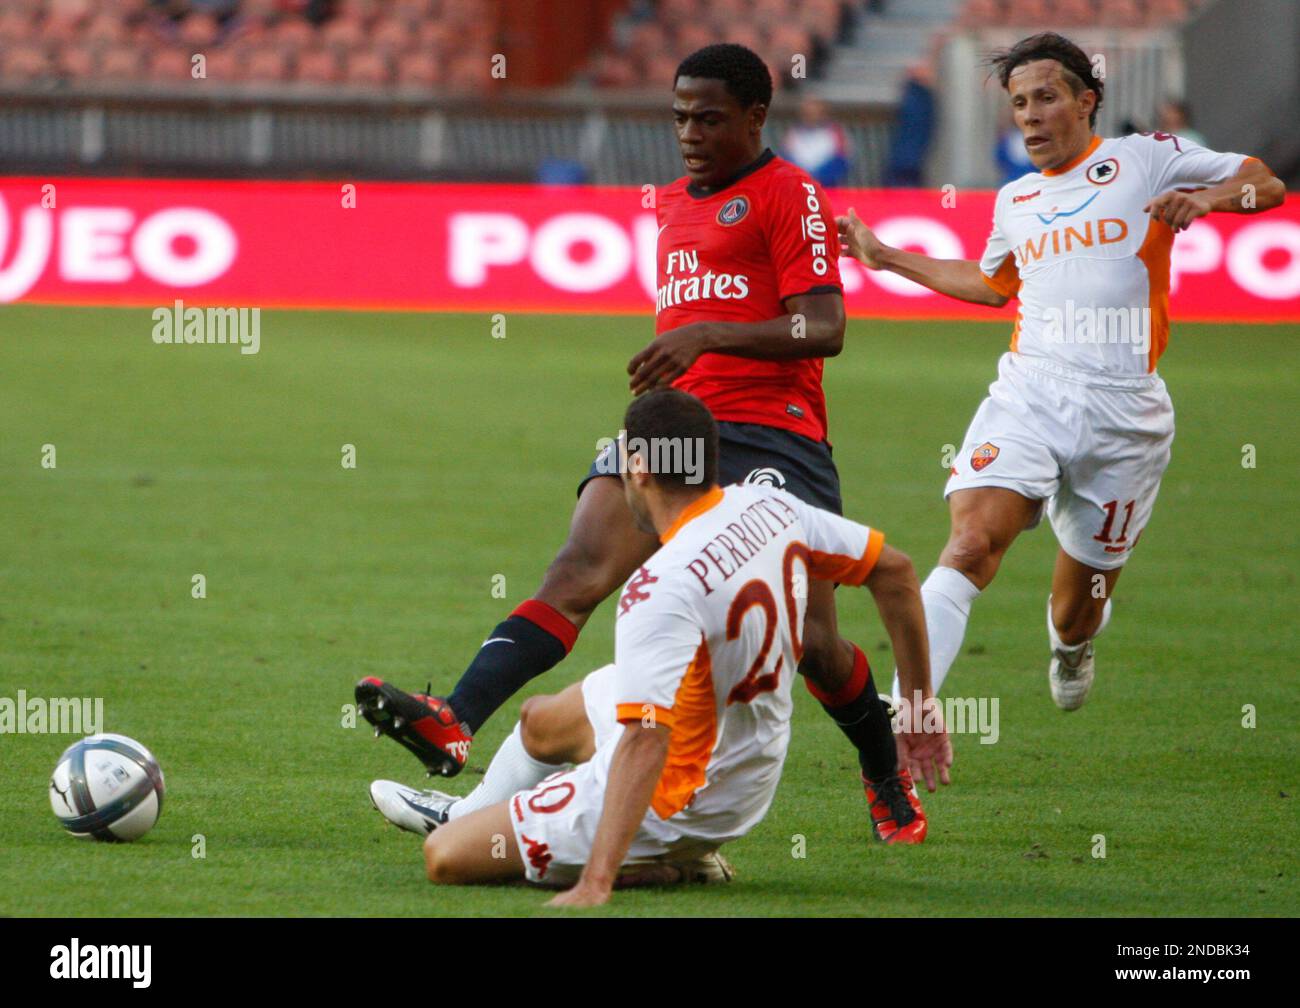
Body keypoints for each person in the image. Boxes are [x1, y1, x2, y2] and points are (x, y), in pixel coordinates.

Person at [356, 43, 952, 842]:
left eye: (709, 118)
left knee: (812, 642)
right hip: (679, 430)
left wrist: (706, 334)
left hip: (774, 435)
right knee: (577, 568)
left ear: (754, 117)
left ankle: (883, 772)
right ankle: (454, 719)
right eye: (680, 117)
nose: (691, 133)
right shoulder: (671, 201)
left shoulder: (789, 194)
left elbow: (825, 326)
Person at [835, 33, 1285, 744]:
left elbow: (1270, 182)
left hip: (1126, 414)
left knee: (1077, 608)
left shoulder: (1144, 158)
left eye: (1046, 97)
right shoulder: (1015, 199)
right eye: (1018, 103)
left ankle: (1072, 645)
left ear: (1086, 99)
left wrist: (1213, 198)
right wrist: (885, 257)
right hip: (1032, 391)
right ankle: (899, 720)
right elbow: (991, 286)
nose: (1031, 115)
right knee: (971, 544)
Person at [368, 389, 936, 906]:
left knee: (445, 858)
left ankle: (661, 860)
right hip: (745, 750)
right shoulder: (773, 508)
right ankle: (475, 810)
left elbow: (645, 739)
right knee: (541, 721)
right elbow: (898, 572)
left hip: (687, 796)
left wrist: (598, 878)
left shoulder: (658, 588)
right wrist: (916, 706)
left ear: (638, 469)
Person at [779, 96, 852, 187]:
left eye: (815, 113)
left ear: (823, 113)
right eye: (807, 113)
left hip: (827, 187)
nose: (811, 116)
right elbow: (785, 159)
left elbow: (841, 160)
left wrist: (817, 176)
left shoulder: (835, 133)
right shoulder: (793, 134)